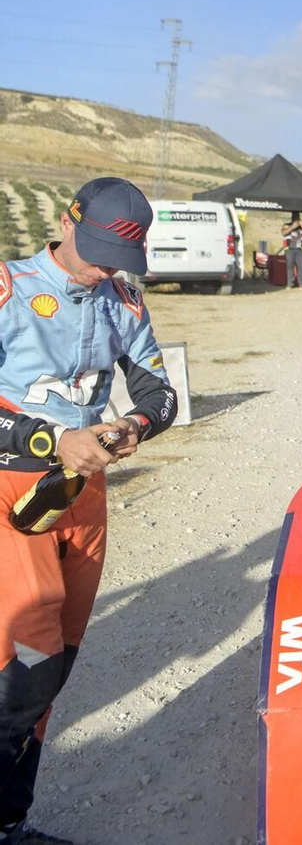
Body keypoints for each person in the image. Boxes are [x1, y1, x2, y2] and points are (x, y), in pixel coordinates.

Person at [0, 178, 177, 844]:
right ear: (66, 222)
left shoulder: (124, 299)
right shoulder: (9, 290)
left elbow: (160, 393)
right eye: (98, 252)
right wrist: (49, 440)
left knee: (56, 670)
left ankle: (11, 821)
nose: (105, 269)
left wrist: (133, 425)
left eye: (119, 259)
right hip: (11, 489)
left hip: (82, 491)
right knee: (26, 667)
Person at [281, 212, 302, 288]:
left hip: (300, 249)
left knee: (301, 266)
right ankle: (290, 284)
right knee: (290, 266)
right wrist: (292, 227)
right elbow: (283, 233)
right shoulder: (287, 225)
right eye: (295, 217)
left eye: (297, 217)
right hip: (289, 249)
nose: (296, 219)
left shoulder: (301, 227)